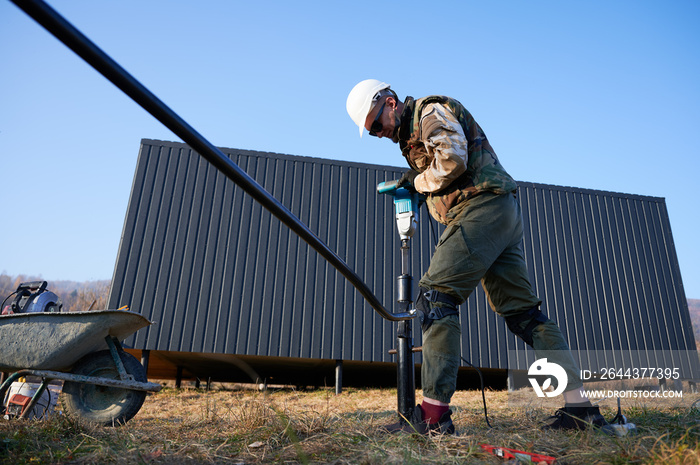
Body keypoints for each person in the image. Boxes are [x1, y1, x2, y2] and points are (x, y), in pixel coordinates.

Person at [346, 79, 612, 435]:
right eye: (372, 132)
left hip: (482, 206)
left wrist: (416, 182)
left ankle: (433, 418)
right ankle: (581, 410)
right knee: (523, 315)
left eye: (377, 124)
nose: (379, 134)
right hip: (497, 211)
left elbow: (452, 159)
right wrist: (420, 185)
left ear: (390, 102)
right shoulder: (411, 135)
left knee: (435, 299)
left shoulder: (429, 111)